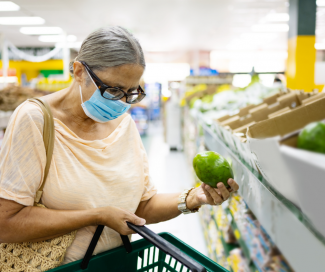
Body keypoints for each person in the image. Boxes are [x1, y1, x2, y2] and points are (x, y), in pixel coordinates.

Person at [0, 26, 239, 265]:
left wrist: (193, 197)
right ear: (79, 71)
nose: (123, 102)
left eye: (131, 92)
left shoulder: (124, 124)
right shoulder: (35, 120)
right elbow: (6, 223)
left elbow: (142, 206)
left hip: (117, 263)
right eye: (113, 90)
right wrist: (96, 216)